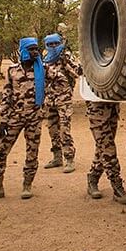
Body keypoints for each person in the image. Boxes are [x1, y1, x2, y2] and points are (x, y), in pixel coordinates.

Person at [0, 37, 45, 200]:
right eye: (32, 49)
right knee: (0, 150)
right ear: (23, 51)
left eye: (37, 49)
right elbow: (7, 95)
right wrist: (3, 120)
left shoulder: (43, 69)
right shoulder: (12, 70)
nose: (35, 52)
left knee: (32, 152)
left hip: (34, 118)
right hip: (14, 117)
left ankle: (27, 185)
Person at [42, 33, 81, 173]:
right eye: (50, 44)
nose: (53, 47)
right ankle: (57, 157)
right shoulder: (45, 59)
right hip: (50, 100)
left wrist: (66, 62)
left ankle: (69, 158)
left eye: (55, 44)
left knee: (65, 130)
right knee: (52, 130)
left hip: (64, 100)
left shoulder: (65, 57)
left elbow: (77, 73)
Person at [86, 100, 126, 204]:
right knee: (107, 147)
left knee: (103, 147)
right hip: (96, 109)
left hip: (112, 105)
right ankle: (116, 185)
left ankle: (93, 177)